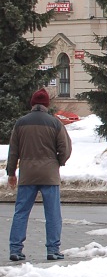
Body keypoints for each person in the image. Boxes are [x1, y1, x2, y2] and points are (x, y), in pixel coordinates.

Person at [7, 88, 72, 262]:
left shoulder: (20, 123)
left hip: (27, 174)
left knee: (21, 212)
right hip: (49, 174)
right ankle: (52, 250)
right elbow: (65, 148)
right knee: (52, 213)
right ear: (46, 105)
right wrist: (58, 162)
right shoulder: (55, 123)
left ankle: (15, 249)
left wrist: (11, 172)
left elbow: (13, 150)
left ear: (32, 104)